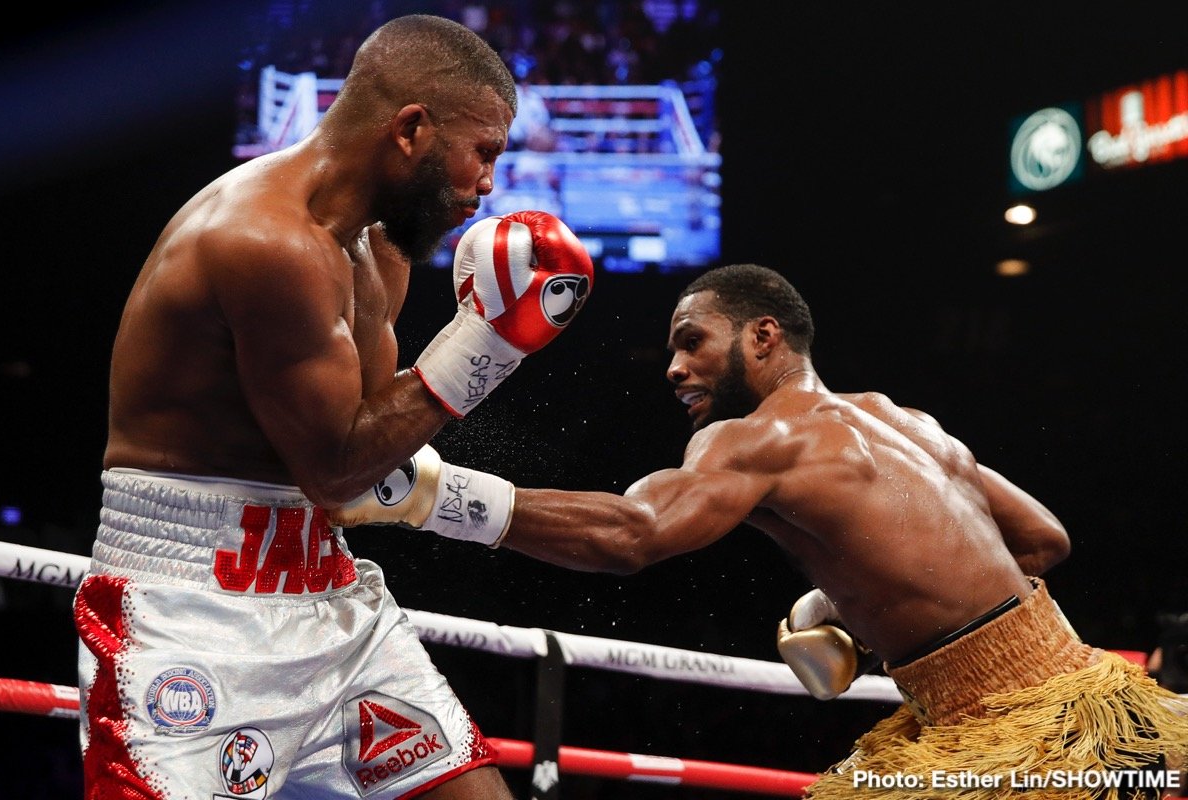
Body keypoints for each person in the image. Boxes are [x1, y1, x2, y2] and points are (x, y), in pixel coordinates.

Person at [337, 263, 1188, 799]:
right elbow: (1044, 542)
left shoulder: (754, 437)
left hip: (999, 740)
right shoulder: (907, 420)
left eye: (692, 342)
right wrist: (852, 600)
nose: (673, 367)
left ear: (765, 335)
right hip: (1096, 702)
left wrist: (429, 494)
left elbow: (635, 532)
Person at [74, 13, 593, 800]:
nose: (487, 185)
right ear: (412, 129)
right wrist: (486, 343)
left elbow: (365, 449)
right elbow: (337, 467)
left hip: (327, 592)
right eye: (482, 152)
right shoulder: (264, 239)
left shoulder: (378, 249)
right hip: (192, 613)